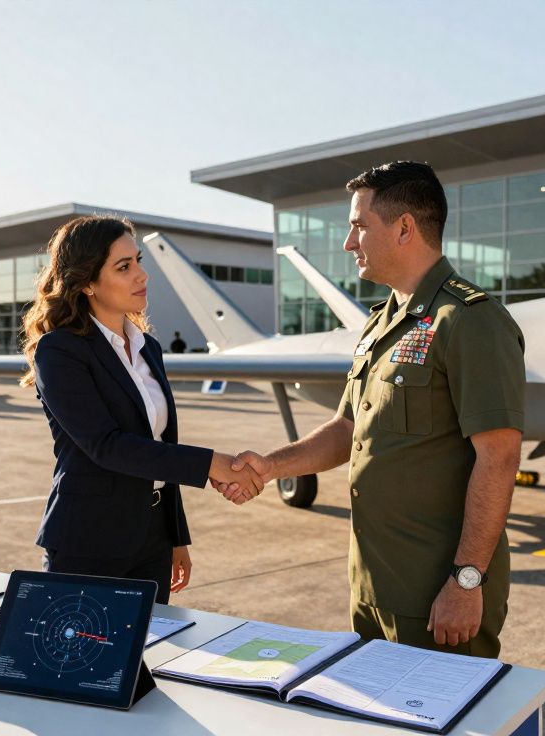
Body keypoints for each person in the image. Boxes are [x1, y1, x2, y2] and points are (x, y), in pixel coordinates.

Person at [222, 161, 525, 658]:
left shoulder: (470, 321)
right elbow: (347, 428)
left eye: (359, 226)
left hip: (437, 594)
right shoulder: (382, 322)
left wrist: (466, 583)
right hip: (374, 585)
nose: (348, 242)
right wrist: (271, 466)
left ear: (404, 227)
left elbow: (499, 458)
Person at [23, 215, 262, 605]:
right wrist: (210, 465)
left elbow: (159, 445)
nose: (142, 276)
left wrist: (174, 536)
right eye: (124, 267)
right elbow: (108, 446)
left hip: (150, 538)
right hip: (89, 542)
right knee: (87, 664)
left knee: (144, 656)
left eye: (138, 261)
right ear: (86, 282)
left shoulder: (148, 347)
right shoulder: (60, 351)